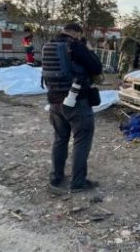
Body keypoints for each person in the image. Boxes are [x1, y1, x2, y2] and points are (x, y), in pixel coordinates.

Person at [42, 23, 102, 193]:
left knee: (60, 139)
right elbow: (97, 68)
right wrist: (89, 49)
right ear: (76, 33)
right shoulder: (75, 46)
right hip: (77, 101)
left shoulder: (48, 45)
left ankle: (56, 177)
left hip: (54, 101)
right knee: (82, 140)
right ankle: (78, 182)